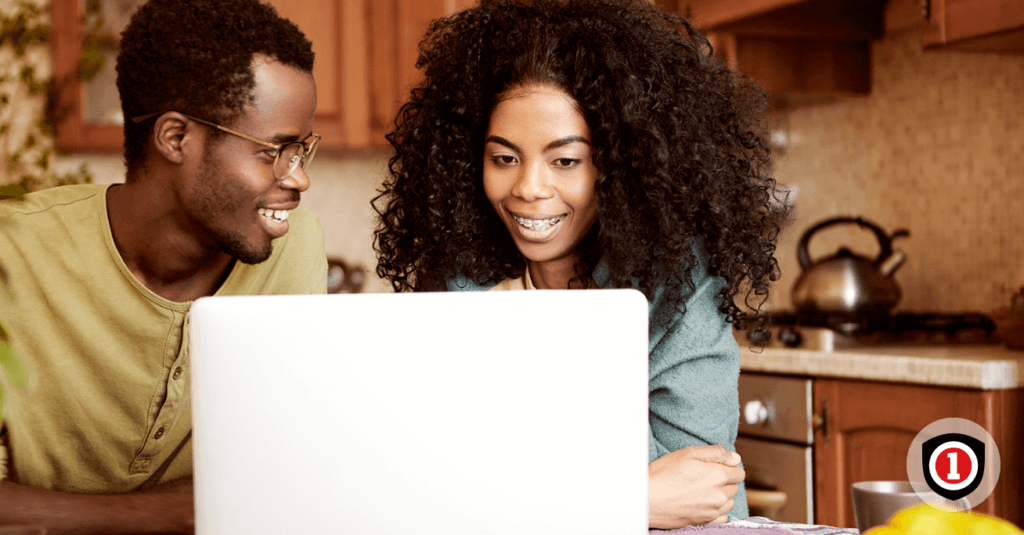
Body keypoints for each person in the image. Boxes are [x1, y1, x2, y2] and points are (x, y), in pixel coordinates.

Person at [373, 0, 786, 528]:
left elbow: (696, 492)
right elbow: (434, 489)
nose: (528, 188)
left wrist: (515, 474)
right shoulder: (455, 288)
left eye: (565, 161)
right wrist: (631, 499)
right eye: (504, 158)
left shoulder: (677, 286)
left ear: (618, 163)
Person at [0, 0, 326, 532]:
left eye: (302, 149)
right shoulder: (12, 254)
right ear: (177, 139)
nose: (299, 179)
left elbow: (281, 466)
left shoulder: (292, 247)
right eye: (274, 151)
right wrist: (160, 514)